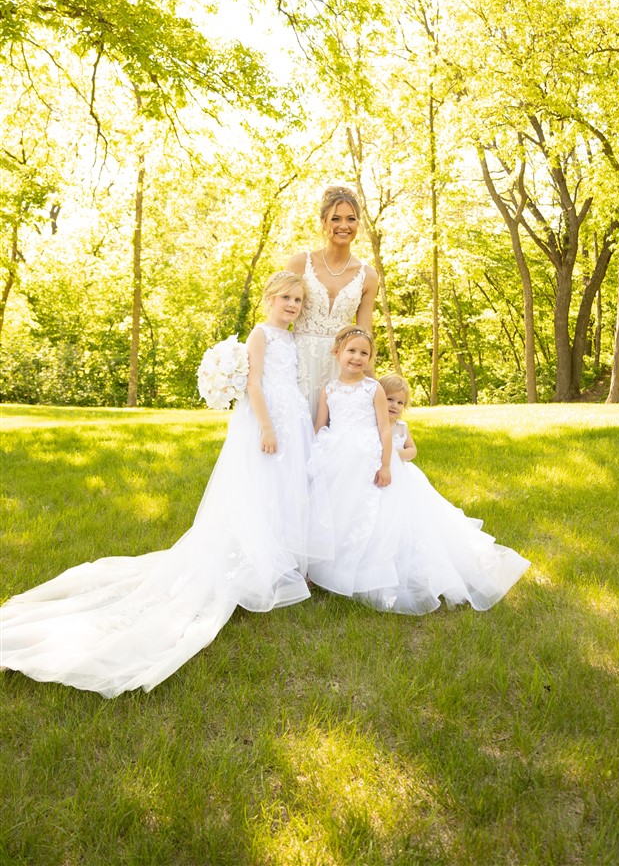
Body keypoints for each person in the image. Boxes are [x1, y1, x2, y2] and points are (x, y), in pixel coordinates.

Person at [0, 272, 330, 697]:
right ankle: (253, 559)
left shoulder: (291, 340)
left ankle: (276, 560)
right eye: (286, 297)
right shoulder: (261, 334)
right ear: (269, 298)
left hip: (294, 418)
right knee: (258, 490)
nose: (292, 305)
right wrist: (266, 426)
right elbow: (254, 384)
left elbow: (289, 382)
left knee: (282, 494)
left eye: (299, 300)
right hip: (268, 423)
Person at [307, 345, 530, 615]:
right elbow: (322, 424)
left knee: (388, 516)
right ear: (337, 353)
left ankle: (378, 572)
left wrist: (388, 462)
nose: (394, 406)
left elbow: (388, 435)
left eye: (399, 403)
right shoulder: (330, 389)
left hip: (376, 460)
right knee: (343, 509)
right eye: (351, 351)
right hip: (341, 457)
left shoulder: (373, 391)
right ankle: (332, 568)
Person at [286, 185, 379, 419]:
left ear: (358, 224)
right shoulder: (300, 263)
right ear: (323, 222)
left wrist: (371, 385)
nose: (343, 226)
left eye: (351, 219)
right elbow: (279, 316)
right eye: (335, 218)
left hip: (340, 365)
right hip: (299, 360)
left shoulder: (367, 275)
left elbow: (364, 333)